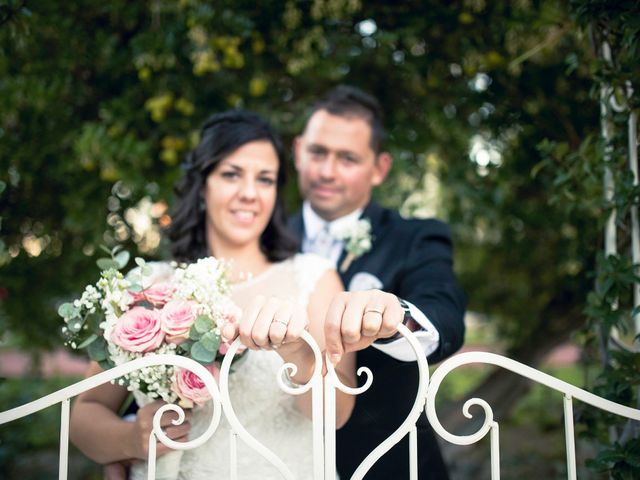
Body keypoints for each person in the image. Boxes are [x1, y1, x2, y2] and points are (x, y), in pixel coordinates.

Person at [70, 110, 356, 480]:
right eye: (231, 174)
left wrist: (299, 355)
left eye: (265, 179)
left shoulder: (315, 278)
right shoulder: (148, 286)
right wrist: (130, 439)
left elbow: (336, 415)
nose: (250, 193)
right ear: (202, 184)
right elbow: (84, 415)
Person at [288, 85, 467, 479]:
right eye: (318, 152)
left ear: (379, 168)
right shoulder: (262, 242)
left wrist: (395, 318)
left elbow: (445, 317)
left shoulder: (415, 238)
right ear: (299, 150)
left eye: (348, 158)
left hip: (387, 467)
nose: (326, 171)